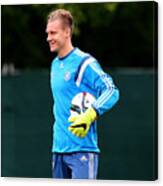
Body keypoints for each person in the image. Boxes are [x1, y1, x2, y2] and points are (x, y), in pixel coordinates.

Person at [46, 9, 120, 179]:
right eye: (47, 33)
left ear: (67, 32)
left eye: (53, 33)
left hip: (83, 150)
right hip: (58, 150)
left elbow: (111, 90)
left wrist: (91, 113)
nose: (48, 37)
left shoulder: (84, 63)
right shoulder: (55, 65)